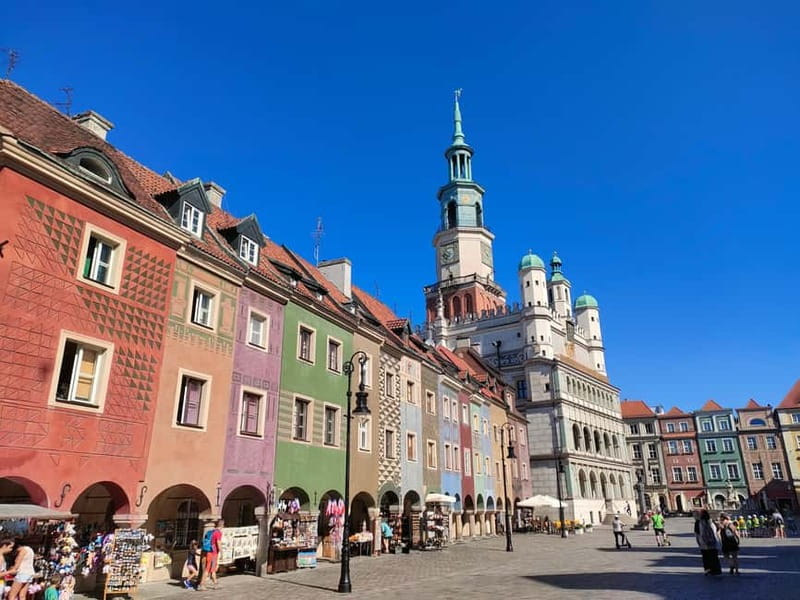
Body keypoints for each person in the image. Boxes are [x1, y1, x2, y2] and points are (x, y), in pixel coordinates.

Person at [198, 519, 224, 591]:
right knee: (208, 569)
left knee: (212, 569)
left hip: (209, 551)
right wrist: (221, 552)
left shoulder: (211, 532)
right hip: (213, 553)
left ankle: (216, 583)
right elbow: (218, 543)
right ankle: (201, 584)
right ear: (222, 525)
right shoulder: (218, 533)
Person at [694, 510, 721, 575]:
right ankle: (716, 569)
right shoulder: (712, 521)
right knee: (714, 556)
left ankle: (708, 569)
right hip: (713, 542)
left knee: (706, 557)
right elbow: (717, 531)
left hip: (703, 543)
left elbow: (697, 534)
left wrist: (699, 543)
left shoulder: (698, 523)